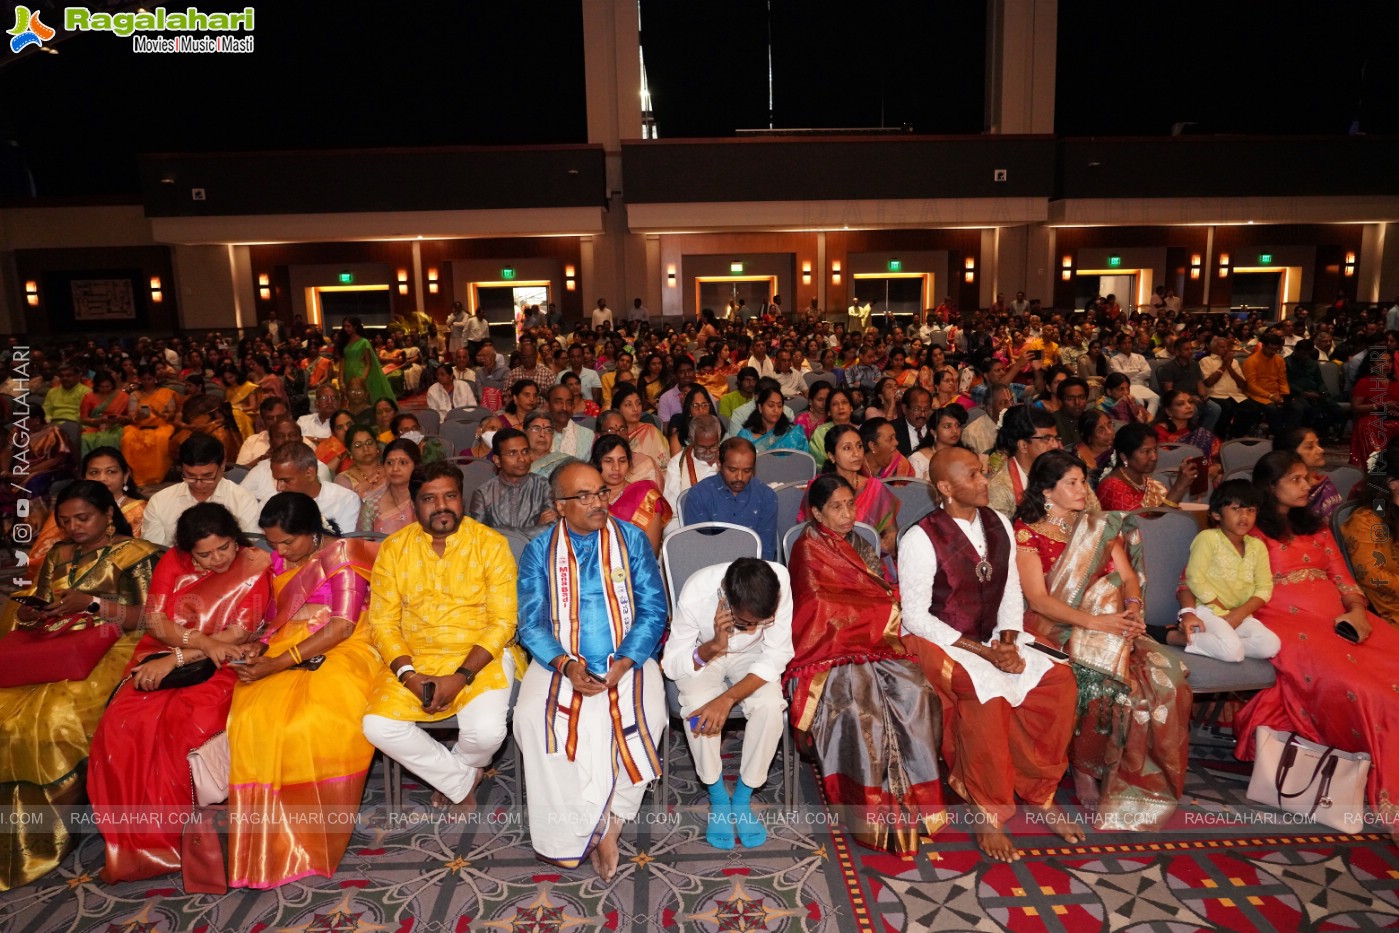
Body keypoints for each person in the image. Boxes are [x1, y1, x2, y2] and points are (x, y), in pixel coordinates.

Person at [898, 448, 1080, 861]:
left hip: (993, 638)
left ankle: (1040, 792)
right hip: (937, 640)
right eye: (975, 475)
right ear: (945, 487)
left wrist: (1009, 643)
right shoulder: (920, 538)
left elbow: (1011, 591)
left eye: (984, 472)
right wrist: (985, 654)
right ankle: (987, 812)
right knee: (988, 694)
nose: (985, 480)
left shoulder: (999, 523)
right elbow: (916, 616)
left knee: (1057, 681)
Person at [88, 503, 273, 884]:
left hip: (224, 663)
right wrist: (190, 646)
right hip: (162, 653)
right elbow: (156, 620)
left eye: (224, 547)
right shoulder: (173, 561)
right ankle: (137, 842)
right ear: (189, 552)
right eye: (204, 554)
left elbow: (238, 633)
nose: (218, 559)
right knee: (123, 724)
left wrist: (177, 658)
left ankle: (181, 837)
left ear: (235, 538)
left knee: (186, 724)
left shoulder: (254, 564)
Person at [1014, 450, 1191, 831]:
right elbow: (1039, 600)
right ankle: (1083, 768)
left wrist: (1132, 611)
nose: (1082, 490)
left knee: (1166, 677)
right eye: (1072, 483)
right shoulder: (1026, 533)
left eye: (1084, 481)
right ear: (1047, 491)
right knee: (1099, 681)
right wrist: (1096, 622)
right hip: (1053, 629)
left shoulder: (1098, 526)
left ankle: (1133, 775)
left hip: (1110, 624)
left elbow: (1127, 578)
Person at [0, 482, 160, 891]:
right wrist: (38, 613)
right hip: (55, 642)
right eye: (66, 520)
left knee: (52, 719)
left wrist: (89, 605)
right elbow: (37, 597)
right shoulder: (59, 553)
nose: (73, 527)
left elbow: (151, 617)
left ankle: (43, 839)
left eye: (83, 518)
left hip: (111, 643)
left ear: (109, 513)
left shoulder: (138, 554)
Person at [514, 461, 667, 880]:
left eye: (601, 492)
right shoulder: (538, 550)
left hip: (627, 657)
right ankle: (575, 829)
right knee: (533, 719)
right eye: (585, 496)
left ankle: (611, 823)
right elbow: (530, 622)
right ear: (560, 505)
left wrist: (627, 659)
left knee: (650, 714)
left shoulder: (632, 539)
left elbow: (655, 609)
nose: (599, 502)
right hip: (559, 659)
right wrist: (565, 665)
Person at [1237, 450, 1399, 843]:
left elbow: (1344, 580)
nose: (1307, 484)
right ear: (1269, 486)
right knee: (1372, 692)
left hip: (1343, 620)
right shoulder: (1250, 530)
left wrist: (1359, 612)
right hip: (1284, 623)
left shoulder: (1318, 526)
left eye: (1306, 477)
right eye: (1295, 479)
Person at [224, 492, 380, 889]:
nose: (280, 551)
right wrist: (261, 647)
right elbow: (273, 611)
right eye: (272, 543)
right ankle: (265, 844)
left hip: (346, 645)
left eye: (288, 543)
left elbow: (343, 625)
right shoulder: (282, 555)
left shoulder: (343, 558)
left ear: (312, 534)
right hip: (287, 642)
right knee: (252, 717)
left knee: (309, 721)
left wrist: (278, 663)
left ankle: (309, 837)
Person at [786, 474, 945, 856]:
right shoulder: (807, 549)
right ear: (818, 513)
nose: (846, 515)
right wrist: (877, 612)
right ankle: (868, 814)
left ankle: (919, 806)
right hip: (829, 653)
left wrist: (880, 609)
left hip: (875, 645)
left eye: (850, 505)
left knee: (916, 692)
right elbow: (819, 608)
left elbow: (881, 590)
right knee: (863, 711)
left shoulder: (859, 542)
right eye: (836, 508)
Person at [361, 461, 525, 809]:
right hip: (414, 656)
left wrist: (461, 677)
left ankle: (455, 772)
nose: (441, 507)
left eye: (450, 496)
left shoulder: (490, 545)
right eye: (429, 499)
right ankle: (461, 779)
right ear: (414, 503)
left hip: (481, 656)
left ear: (461, 498)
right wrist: (408, 676)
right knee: (377, 726)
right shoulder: (393, 549)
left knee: (487, 733)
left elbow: (503, 623)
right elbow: (383, 623)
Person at [661, 558, 793, 849]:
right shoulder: (697, 592)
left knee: (771, 706)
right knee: (697, 706)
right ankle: (718, 797)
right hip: (705, 653)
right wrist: (712, 647)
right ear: (726, 602)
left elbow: (777, 654)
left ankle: (743, 798)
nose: (753, 627)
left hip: (752, 657)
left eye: (762, 622)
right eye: (746, 623)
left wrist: (728, 698)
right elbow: (670, 665)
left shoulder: (779, 580)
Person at [1171, 479, 1281, 662]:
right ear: (1216, 514)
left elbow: (1264, 587)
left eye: (1250, 510)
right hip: (1208, 609)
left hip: (1239, 612)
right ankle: (1179, 638)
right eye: (1236, 509)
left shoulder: (1257, 546)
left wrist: (1240, 613)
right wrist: (1219, 607)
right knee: (1233, 653)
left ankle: (1221, 643)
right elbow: (1194, 578)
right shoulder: (1208, 539)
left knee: (1270, 645)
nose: (1244, 516)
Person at [142, 433, 262, 547]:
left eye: (207, 476)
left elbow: (249, 549)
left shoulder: (242, 500)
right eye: (190, 475)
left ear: (222, 465)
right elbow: (155, 551)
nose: (199, 484)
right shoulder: (160, 501)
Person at [684, 437, 779, 560]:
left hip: (753, 572)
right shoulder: (699, 495)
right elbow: (698, 549)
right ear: (719, 464)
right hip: (712, 570)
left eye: (747, 470)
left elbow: (766, 550)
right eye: (732, 470)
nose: (739, 477)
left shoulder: (766, 496)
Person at [468, 428, 558, 536]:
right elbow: (479, 536)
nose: (521, 459)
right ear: (497, 460)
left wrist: (499, 531)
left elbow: (553, 529)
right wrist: (536, 528)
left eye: (525, 452)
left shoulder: (543, 486)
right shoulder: (483, 494)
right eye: (512, 453)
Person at [593, 433, 671, 554]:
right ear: (596, 463)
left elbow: (650, 553)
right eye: (608, 461)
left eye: (622, 461)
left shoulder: (646, 496)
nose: (616, 467)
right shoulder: (587, 498)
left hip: (636, 568)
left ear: (629, 463)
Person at [1095, 422, 1200, 510]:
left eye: (1155, 449)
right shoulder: (1112, 487)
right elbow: (1146, 526)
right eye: (1145, 451)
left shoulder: (1152, 485)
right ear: (1124, 457)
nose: (1154, 457)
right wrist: (1178, 487)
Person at [270, 440, 362, 533]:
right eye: (277, 480)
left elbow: (343, 545)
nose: (279, 488)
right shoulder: (276, 503)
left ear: (310, 474)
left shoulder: (346, 500)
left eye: (286, 480)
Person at [121, 364, 180, 485]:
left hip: (161, 425)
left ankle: (157, 475)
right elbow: (131, 416)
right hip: (139, 426)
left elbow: (172, 413)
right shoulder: (135, 395)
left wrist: (160, 414)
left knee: (161, 439)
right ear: (140, 380)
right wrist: (138, 417)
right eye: (144, 379)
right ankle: (135, 476)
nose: (147, 382)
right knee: (128, 439)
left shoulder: (166, 393)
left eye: (150, 379)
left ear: (155, 378)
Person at [1241, 330, 1303, 436]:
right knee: (1272, 409)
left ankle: (1291, 435)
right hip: (1257, 395)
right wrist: (1271, 396)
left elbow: (1283, 381)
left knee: (1297, 407)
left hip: (1277, 394)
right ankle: (1279, 437)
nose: (1273, 352)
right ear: (1263, 346)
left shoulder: (1279, 360)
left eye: (1276, 349)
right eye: (1270, 349)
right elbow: (1251, 386)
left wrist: (1284, 396)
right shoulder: (1251, 361)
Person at [1199, 335, 1260, 439]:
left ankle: (1235, 435)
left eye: (1227, 346)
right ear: (1213, 348)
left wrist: (1230, 367)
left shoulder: (1234, 362)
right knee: (1227, 408)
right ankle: (1220, 437)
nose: (1226, 349)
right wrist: (1223, 365)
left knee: (1253, 409)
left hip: (1236, 395)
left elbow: (1243, 384)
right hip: (1216, 396)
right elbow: (1208, 383)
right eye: (1222, 347)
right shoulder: (1206, 361)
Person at [663, 412, 723, 518]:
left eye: (713, 446)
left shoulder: (729, 457)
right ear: (692, 440)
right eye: (702, 448)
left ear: (719, 439)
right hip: (691, 521)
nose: (708, 453)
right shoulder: (677, 465)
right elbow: (674, 508)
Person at [357, 438, 422, 535]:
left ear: (416, 466)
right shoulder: (372, 505)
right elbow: (364, 543)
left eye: (403, 462)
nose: (395, 468)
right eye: (389, 463)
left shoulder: (426, 500)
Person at [1349, 348, 1399, 467]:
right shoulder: (1365, 382)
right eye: (1381, 362)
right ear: (1372, 364)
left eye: (1389, 361)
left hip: (1394, 418)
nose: (1387, 365)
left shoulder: (1396, 382)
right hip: (1372, 418)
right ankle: (1376, 466)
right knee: (1371, 425)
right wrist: (1382, 406)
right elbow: (1356, 407)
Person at [612, 384, 669, 477]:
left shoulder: (651, 432)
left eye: (638, 403)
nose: (635, 409)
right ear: (617, 410)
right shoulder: (612, 433)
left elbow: (663, 468)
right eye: (628, 405)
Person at [337, 317, 394, 404]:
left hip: (361, 374)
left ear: (355, 327)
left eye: (348, 326)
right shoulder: (344, 342)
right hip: (347, 374)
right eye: (344, 326)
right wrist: (341, 381)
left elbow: (368, 364)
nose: (346, 329)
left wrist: (362, 379)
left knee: (363, 400)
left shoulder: (364, 342)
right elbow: (342, 362)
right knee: (350, 401)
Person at [737, 386, 807, 454]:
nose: (776, 410)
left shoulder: (792, 433)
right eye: (771, 405)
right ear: (760, 407)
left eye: (779, 406)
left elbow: (804, 461)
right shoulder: (745, 436)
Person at [79, 369, 129, 456]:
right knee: (84, 438)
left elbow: (129, 416)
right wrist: (97, 421)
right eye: (102, 387)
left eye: (108, 386)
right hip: (94, 427)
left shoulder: (122, 396)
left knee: (115, 437)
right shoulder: (89, 397)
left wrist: (119, 418)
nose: (105, 389)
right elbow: (83, 418)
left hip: (116, 427)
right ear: (96, 385)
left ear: (112, 384)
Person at [807, 387, 856, 469]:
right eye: (834, 404)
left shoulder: (859, 430)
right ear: (829, 412)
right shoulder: (820, 432)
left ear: (851, 408)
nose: (840, 407)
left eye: (844, 402)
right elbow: (820, 463)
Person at [334, 424, 387, 497]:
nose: (365, 448)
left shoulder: (391, 468)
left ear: (377, 446)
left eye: (369, 443)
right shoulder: (343, 479)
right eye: (358, 445)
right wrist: (366, 484)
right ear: (349, 451)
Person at [546, 383, 595, 459]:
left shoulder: (588, 436)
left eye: (568, 402)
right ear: (548, 405)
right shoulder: (540, 434)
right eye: (558, 402)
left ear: (573, 406)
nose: (564, 408)